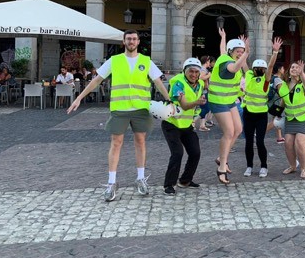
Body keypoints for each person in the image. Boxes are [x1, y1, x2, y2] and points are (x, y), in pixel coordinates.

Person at [68, 30, 171, 202]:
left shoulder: (146, 61)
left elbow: (158, 82)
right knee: (116, 143)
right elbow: (96, 80)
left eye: (134, 39)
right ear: (124, 42)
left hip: (140, 108)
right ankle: (112, 183)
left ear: (138, 42)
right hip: (120, 108)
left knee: (140, 142)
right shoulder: (114, 60)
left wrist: (169, 99)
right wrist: (79, 97)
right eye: (128, 39)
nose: (131, 41)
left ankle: (140, 178)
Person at [209, 28, 250, 185]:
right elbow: (233, 68)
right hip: (218, 100)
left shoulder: (225, 56)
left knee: (238, 129)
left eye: (242, 51)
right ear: (231, 51)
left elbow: (222, 49)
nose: (240, 53)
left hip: (229, 100)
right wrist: (246, 54)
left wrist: (223, 36)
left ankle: (221, 158)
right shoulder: (227, 63)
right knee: (229, 132)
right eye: (238, 51)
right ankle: (222, 167)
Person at [161, 58, 208, 195]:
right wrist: (197, 102)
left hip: (186, 125)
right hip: (172, 124)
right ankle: (169, 184)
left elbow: (195, 108)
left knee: (195, 152)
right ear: (184, 71)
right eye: (191, 71)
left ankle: (185, 180)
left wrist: (195, 117)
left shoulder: (199, 83)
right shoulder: (178, 83)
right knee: (177, 153)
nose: (193, 74)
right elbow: (185, 105)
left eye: (196, 72)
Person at [243, 37, 283, 179]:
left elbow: (271, 66)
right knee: (248, 142)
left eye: (263, 68)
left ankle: (264, 166)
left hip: (261, 115)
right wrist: (246, 50)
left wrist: (275, 52)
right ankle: (249, 166)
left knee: (260, 142)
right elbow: (243, 63)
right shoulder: (248, 75)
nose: (260, 70)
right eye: (258, 68)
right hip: (248, 114)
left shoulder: (266, 81)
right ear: (253, 69)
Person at [280, 60, 305, 179]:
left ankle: (304, 168)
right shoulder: (284, 86)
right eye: (292, 67)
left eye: (296, 67)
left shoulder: (302, 84)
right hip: (291, 118)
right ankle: (292, 166)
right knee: (288, 142)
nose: (294, 69)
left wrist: (302, 73)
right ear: (289, 72)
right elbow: (283, 101)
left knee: (300, 142)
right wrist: (277, 113)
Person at [267, 62, 286, 143]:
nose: (284, 70)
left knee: (276, 119)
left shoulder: (271, 78)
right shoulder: (278, 80)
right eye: (282, 68)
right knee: (275, 121)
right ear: (279, 70)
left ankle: (279, 137)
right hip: (277, 103)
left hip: (271, 102)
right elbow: (281, 93)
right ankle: (258, 134)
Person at [195, 56, 215, 131]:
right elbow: (200, 77)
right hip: (204, 91)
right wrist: (209, 75)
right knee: (206, 108)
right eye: (209, 61)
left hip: (204, 91)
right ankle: (193, 121)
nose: (209, 63)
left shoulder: (203, 69)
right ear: (207, 62)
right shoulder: (203, 69)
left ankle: (202, 125)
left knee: (203, 108)